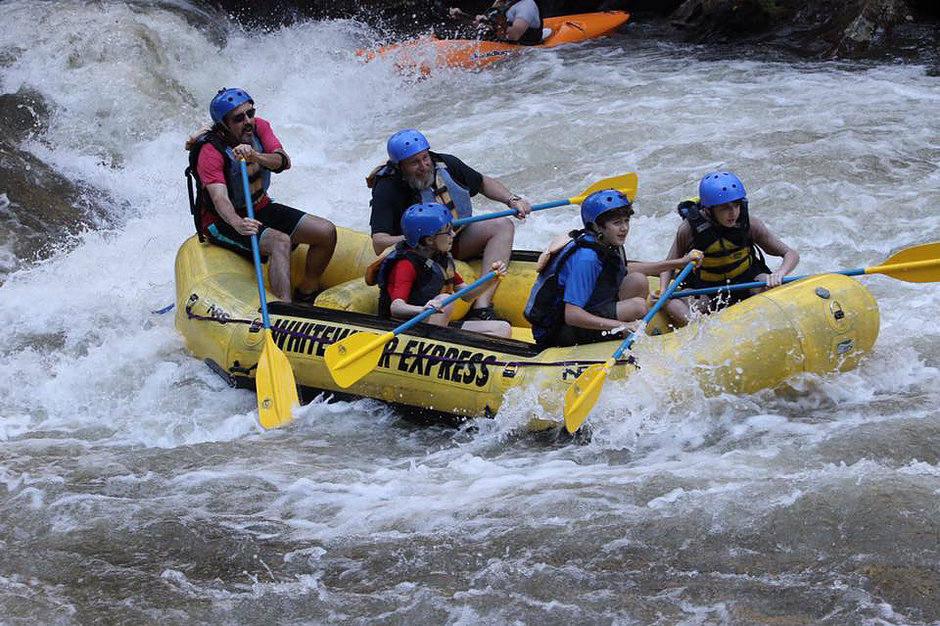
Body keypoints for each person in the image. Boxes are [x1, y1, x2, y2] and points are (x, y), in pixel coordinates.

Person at [185, 87, 336, 303]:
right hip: (222, 221)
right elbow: (219, 198)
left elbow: (283, 162)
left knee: (326, 232)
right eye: (238, 118)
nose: (248, 121)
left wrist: (255, 155)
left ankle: (306, 292)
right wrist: (238, 223)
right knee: (280, 242)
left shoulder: (260, 128)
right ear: (223, 125)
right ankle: (284, 306)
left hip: (259, 206)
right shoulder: (210, 150)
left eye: (250, 113)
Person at [367, 128, 531, 321]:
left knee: (503, 225)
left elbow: (481, 182)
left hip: (450, 239)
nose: (424, 166)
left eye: (425, 157)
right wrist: (422, 236)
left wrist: (512, 200)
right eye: (414, 162)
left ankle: (482, 308)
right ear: (400, 166)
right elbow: (379, 243)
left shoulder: (445, 164)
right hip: (419, 252)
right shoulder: (388, 187)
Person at [525, 189, 703, 348]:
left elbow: (625, 269)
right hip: (558, 330)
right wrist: (622, 325)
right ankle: (623, 338)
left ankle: (624, 336)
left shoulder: (605, 242)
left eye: (626, 220)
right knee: (638, 307)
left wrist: (679, 263)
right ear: (597, 226)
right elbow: (572, 315)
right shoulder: (586, 259)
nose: (624, 228)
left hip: (587, 309)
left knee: (638, 280)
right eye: (617, 223)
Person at [659, 171, 800, 325]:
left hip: (749, 282)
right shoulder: (688, 230)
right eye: (724, 208)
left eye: (736, 205)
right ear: (709, 209)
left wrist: (780, 273)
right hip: (708, 291)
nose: (733, 213)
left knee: (771, 284)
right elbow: (668, 266)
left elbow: (790, 253)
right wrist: (664, 290)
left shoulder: (749, 224)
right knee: (671, 303)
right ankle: (702, 330)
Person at [371, 202, 511, 338]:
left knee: (502, 328)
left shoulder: (440, 260)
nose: (453, 235)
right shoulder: (406, 265)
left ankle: (449, 342)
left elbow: (467, 295)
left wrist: (490, 280)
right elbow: (396, 308)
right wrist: (423, 310)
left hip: (435, 324)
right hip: (408, 329)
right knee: (445, 300)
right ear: (429, 240)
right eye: (447, 231)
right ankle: (437, 343)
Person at [449, 0, 544, 45]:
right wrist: (462, 16)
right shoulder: (501, 2)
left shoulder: (527, 6)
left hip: (524, 48)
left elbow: (514, 35)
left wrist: (492, 23)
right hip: (499, 45)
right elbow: (480, 25)